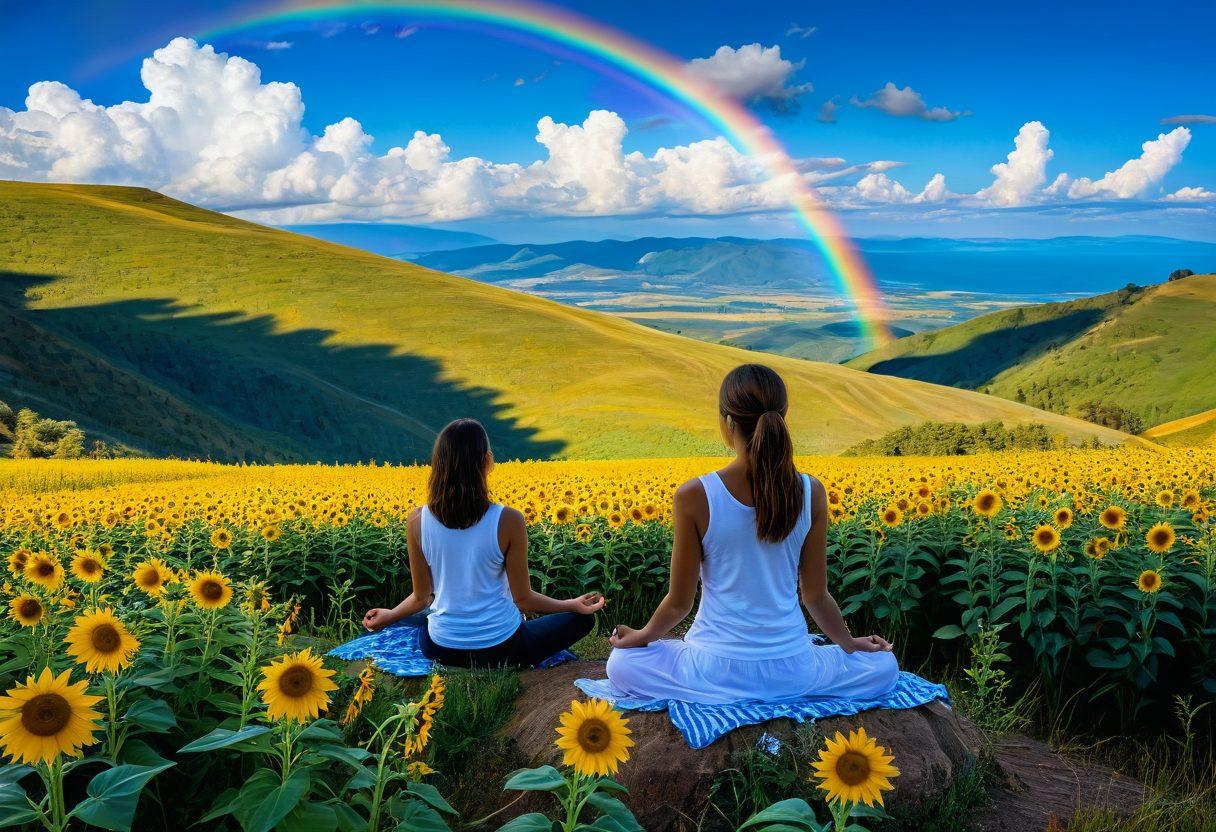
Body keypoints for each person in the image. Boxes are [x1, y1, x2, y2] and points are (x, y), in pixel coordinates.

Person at [605, 364, 898, 704]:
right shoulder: (811, 491)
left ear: (727, 422)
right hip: (792, 670)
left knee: (621, 664)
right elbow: (815, 597)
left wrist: (642, 636)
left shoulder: (695, 495)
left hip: (713, 669)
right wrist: (850, 645)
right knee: (884, 666)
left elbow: (679, 604)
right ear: (783, 418)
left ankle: (721, 698)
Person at [362, 418, 603, 668]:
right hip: (501, 649)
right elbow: (523, 600)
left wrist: (391, 615)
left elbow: (421, 598)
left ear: (438, 464)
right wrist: (571, 604)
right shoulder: (509, 520)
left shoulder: (416, 521)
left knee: (421, 617)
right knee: (582, 620)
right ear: (487, 461)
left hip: (441, 649)